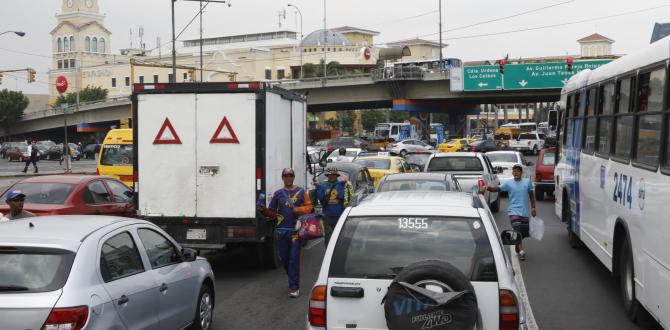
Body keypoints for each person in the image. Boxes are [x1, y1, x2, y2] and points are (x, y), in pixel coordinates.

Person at [259, 168, 313, 298]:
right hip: (281, 231)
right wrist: (263, 210)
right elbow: (272, 212)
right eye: (285, 175)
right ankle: (292, 278)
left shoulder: (301, 192)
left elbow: (309, 207)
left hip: (296, 232)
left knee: (294, 259)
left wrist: (298, 209)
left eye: (290, 175)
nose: (288, 177)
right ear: (282, 177)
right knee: (284, 258)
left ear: (293, 177)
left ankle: (294, 287)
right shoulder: (278, 194)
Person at [486, 164, 536, 260]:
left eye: (518, 171)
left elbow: (531, 195)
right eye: (514, 171)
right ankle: (521, 251)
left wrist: (533, 208)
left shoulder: (527, 182)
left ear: (521, 173)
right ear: (512, 173)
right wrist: (487, 187)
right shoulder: (509, 183)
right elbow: (497, 189)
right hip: (513, 211)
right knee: (517, 229)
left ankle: (517, 245)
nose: (516, 173)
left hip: (524, 212)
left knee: (524, 232)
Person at [314, 166, 353, 245]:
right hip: (327, 216)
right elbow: (320, 198)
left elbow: (344, 197)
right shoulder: (323, 185)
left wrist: (345, 184)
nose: (331, 176)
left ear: (336, 176)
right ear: (327, 176)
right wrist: (318, 187)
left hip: (340, 215)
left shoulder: (342, 184)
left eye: (333, 175)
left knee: (340, 237)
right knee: (329, 239)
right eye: (330, 175)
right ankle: (329, 255)